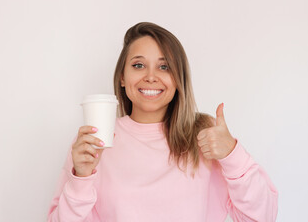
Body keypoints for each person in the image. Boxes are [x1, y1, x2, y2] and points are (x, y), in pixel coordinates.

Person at [47, 22, 278, 222]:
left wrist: (232, 154)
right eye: (138, 65)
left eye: (164, 66)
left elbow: (261, 217)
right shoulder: (94, 142)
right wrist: (81, 178)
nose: (150, 76)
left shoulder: (204, 135)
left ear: (178, 80)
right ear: (122, 77)